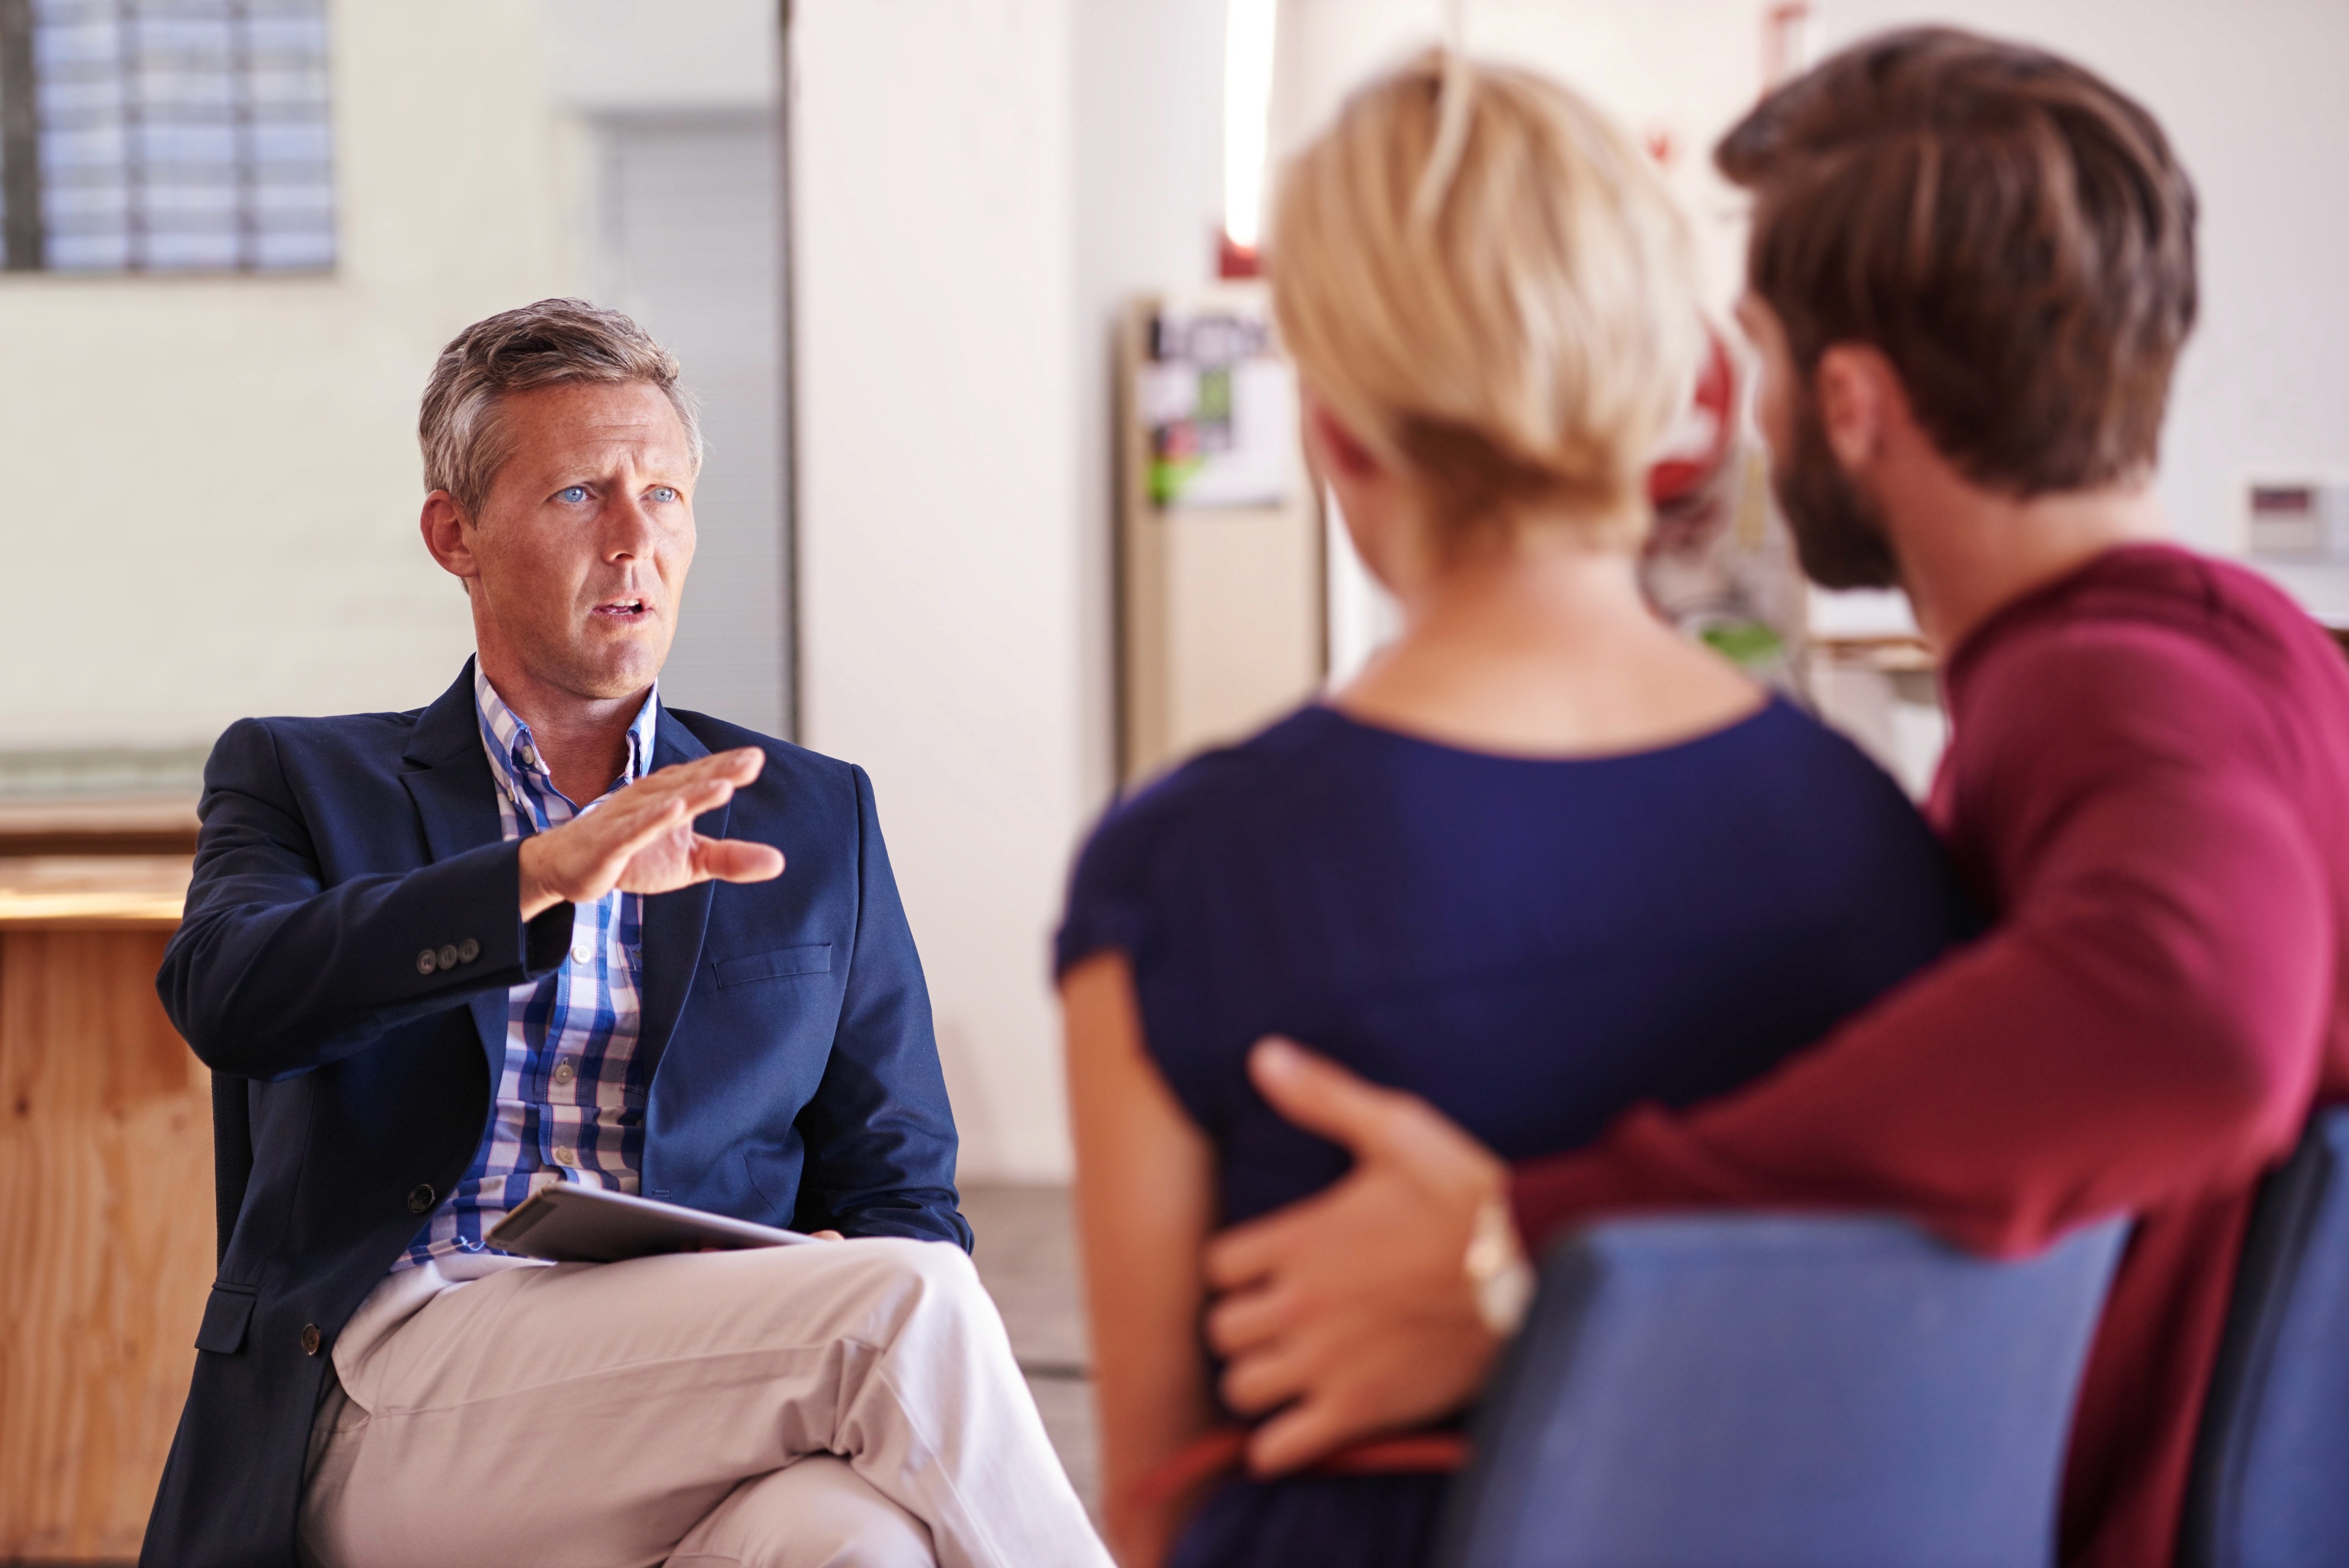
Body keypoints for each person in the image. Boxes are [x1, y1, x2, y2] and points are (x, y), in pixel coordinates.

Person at [1194, 29, 2349, 1568]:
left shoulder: (2117, 685)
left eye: (1766, 355)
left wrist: (1542, 1240)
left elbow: (2195, 1018)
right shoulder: (2243, 650)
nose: (1748, 418)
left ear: (1856, 401)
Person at [1056, 56, 1968, 1568]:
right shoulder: (1872, 838)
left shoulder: (1177, 873)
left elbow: (1156, 1494)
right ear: (1661, 401)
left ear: (1336, 427)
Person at [143, 300, 1109, 1568]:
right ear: (457, 536)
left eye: (662, 495)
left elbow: (898, 1188)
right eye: (577, 498)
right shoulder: (300, 776)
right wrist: (537, 874)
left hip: (692, 1376)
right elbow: (231, 995)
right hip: (393, 1389)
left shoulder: (814, 816)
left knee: (853, 1541)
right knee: (899, 1309)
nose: (632, 540)